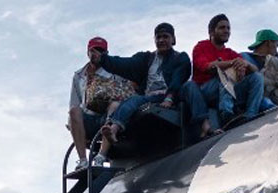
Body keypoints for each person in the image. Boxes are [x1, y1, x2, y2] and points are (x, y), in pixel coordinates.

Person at [90, 23, 214, 166]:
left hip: (172, 95)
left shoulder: (181, 58)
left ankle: (205, 125)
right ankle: (114, 129)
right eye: (158, 37)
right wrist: (103, 59)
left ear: (173, 39)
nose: (161, 40)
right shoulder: (146, 59)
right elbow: (124, 64)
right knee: (133, 100)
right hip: (151, 96)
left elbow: (178, 78)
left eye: (165, 37)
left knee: (191, 86)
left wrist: (169, 97)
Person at [68, 36, 131, 171]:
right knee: (73, 111)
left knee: (115, 106)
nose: (97, 53)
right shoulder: (78, 76)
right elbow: (74, 103)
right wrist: (75, 128)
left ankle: (101, 156)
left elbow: (124, 90)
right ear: (88, 52)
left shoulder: (114, 70)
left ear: (106, 53)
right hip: (89, 117)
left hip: (106, 116)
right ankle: (83, 160)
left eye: (101, 50)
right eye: (94, 50)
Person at [192, 14, 265, 127]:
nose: (226, 31)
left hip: (229, 90)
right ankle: (227, 116)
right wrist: (231, 64)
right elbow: (206, 67)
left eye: (228, 28)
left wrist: (246, 64)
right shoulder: (201, 47)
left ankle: (251, 115)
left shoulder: (230, 53)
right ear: (211, 32)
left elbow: (254, 70)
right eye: (222, 27)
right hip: (205, 91)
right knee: (225, 74)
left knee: (257, 77)